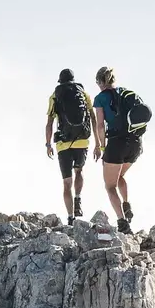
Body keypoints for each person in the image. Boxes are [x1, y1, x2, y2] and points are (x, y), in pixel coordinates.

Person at [92, 65, 153, 233]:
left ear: (100, 82)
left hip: (116, 143)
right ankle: (126, 204)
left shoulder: (100, 98)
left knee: (110, 186)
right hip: (135, 144)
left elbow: (100, 126)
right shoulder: (127, 93)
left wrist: (102, 146)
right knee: (119, 176)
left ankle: (122, 223)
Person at [43, 68, 98, 220]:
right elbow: (93, 118)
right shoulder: (83, 93)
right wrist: (98, 143)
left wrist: (48, 144)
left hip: (63, 144)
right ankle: (78, 198)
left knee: (67, 183)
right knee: (79, 171)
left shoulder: (55, 96)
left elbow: (49, 123)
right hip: (82, 141)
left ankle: (70, 217)